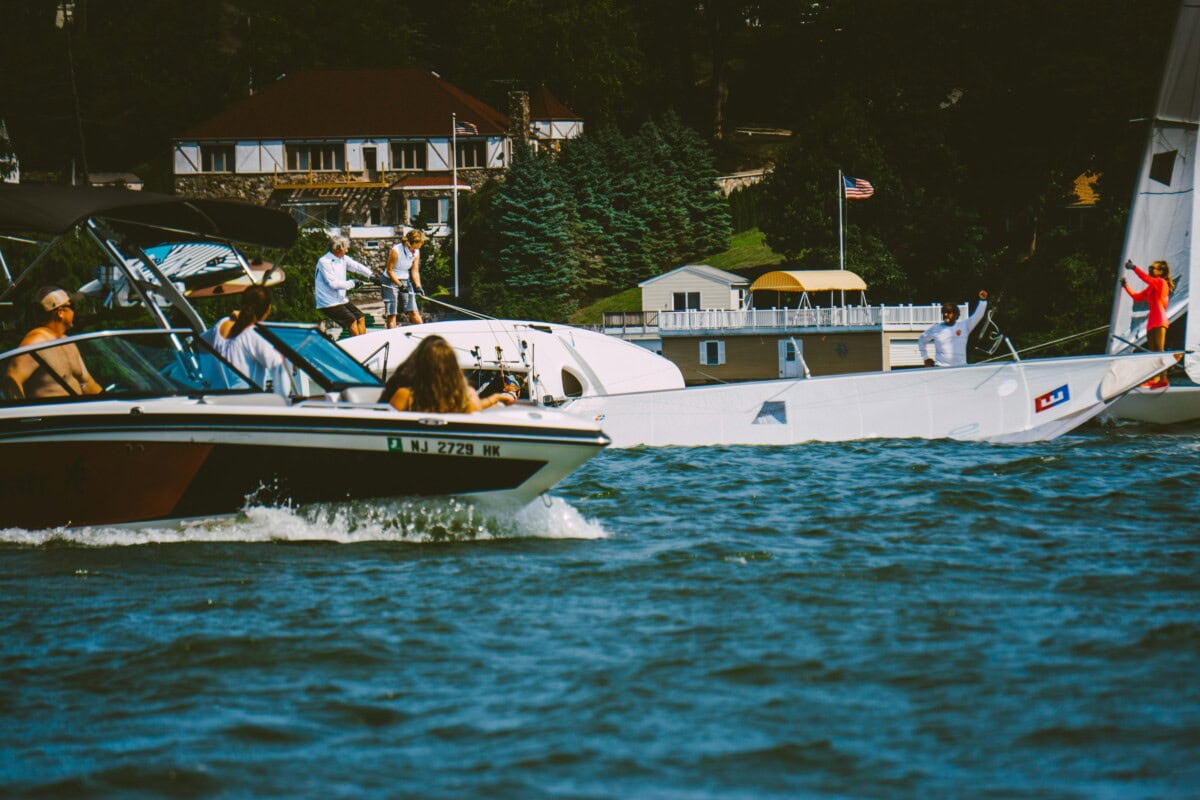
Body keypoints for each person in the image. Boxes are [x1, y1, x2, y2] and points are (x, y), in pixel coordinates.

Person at [3, 287, 102, 400]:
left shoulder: (67, 342)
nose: (74, 312)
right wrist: (21, 413)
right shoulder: (37, 341)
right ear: (60, 312)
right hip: (51, 415)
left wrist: (107, 403)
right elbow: (11, 380)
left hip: (76, 413)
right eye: (71, 307)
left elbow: (86, 382)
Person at [381, 335, 516, 413]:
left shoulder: (405, 396)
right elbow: (477, 406)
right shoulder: (466, 398)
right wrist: (497, 397)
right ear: (454, 366)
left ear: (421, 366)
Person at [204, 285, 285, 388]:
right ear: (268, 309)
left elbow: (197, 343)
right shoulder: (255, 336)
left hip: (216, 400)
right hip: (245, 402)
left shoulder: (220, 325)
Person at [1123, 259, 1175, 388]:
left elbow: (1145, 278)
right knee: (1152, 352)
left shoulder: (1161, 283)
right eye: (1149, 268)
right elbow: (1137, 297)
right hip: (1151, 321)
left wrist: (1134, 267)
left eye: (1153, 268)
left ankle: (1163, 379)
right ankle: (1155, 378)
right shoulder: (1151, 287)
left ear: (1161, 271)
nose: (1150, 270)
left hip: (1159, 320)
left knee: (1159, 351)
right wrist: (1126, 287)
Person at [315, 234, 374, 336]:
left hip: (340, 299)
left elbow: (356, 266)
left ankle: (364, 343)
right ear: (338, 249)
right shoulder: (325, 261)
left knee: (360, 317)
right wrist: (353, 283)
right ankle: (357, 348)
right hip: (328, 302)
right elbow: (333, 284)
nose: (347, 251)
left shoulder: (343, 258)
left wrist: (371, 275)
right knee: (352, 320)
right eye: (345, 248)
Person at [918, 290, 989, 367]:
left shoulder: (964, 326)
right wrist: (925, 358)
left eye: (948, 312)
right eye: (944, 312)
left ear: (956, 314)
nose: (945, 314)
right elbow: (921, 340)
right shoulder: (936, 328)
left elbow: (978, 315)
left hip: (961, 368)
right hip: (940, 367)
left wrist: (983, 301)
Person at [381, 229, 426, 327]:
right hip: (390, 280)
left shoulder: (416, 252)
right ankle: (392, 338)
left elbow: (415, 270)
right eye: (417, 245)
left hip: (405, 279)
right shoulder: (396, 250)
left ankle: (423, 335)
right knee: (392, 313)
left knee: (413, 311)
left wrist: (418, 287)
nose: (418, 248)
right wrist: (400, 285)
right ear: (410, 243)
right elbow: (389, 270)